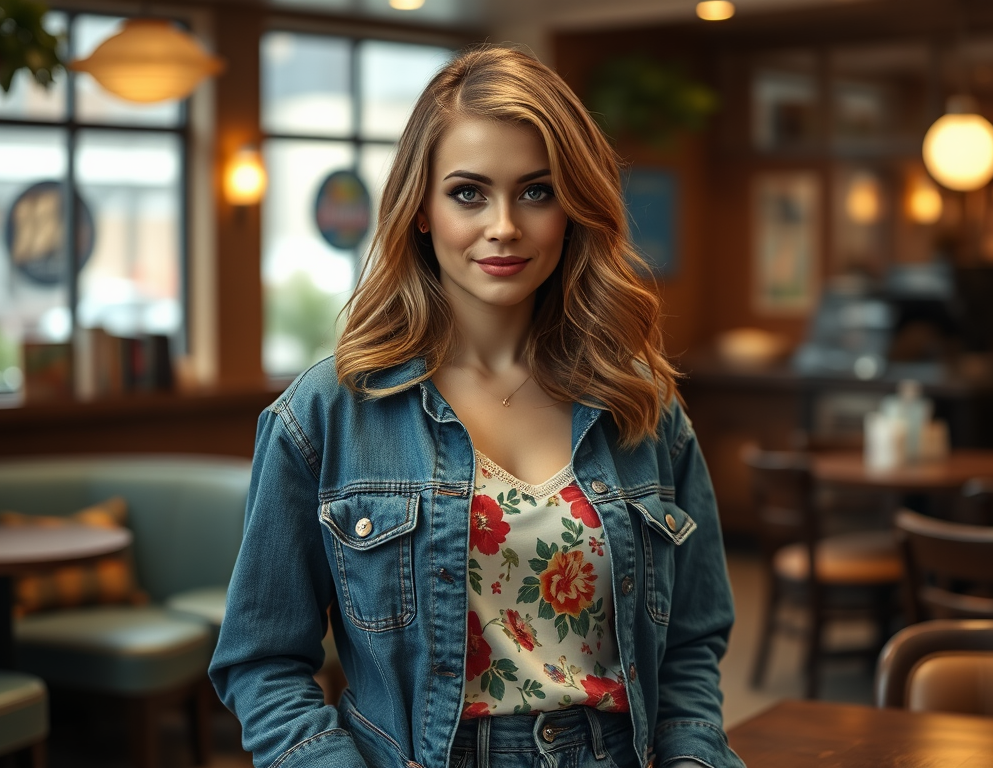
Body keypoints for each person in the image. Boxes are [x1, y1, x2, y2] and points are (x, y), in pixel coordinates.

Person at [209, 46, 745, 768]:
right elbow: (262, 663)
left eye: (536, 191)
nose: (504, 227)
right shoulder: (326, 415)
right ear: (421, 210)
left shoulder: (641, 402)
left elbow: (691, 641)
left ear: (573, 208)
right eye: (468, 193)